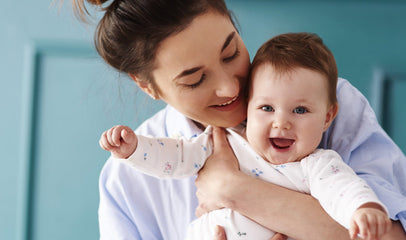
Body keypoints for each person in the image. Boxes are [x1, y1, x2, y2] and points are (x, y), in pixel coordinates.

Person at [70, 0, 406, 239]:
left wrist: (235, 191)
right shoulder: (128, 178)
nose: (230, 87)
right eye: (194, 80)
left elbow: (388, 235)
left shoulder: (325, 102)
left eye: (231, 53)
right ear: (146, 85)